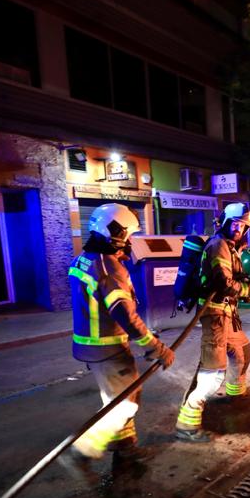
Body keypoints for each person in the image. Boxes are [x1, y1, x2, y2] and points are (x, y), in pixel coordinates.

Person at [65, 203, 175, 477]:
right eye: (127, 236)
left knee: (123, 396)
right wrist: (155, 346)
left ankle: (125, 448)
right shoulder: (108, 268)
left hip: (91, 345)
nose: (129, 242)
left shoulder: (85, 258)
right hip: (107, 347)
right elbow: (124, 314)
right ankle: (84, 450)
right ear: (116, 233)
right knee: (123, 403)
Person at [175, 203, 250, 442]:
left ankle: (236, 396)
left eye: (244, 226)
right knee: (212, 375)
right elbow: (224, 284)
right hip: (216, 316)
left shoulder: (231, 248)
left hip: (228, 314)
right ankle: (187, 424)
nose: (240, 229)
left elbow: (235, 278)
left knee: (242, 352)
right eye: (236, 224)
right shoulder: (218, 245)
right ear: (226, 222)